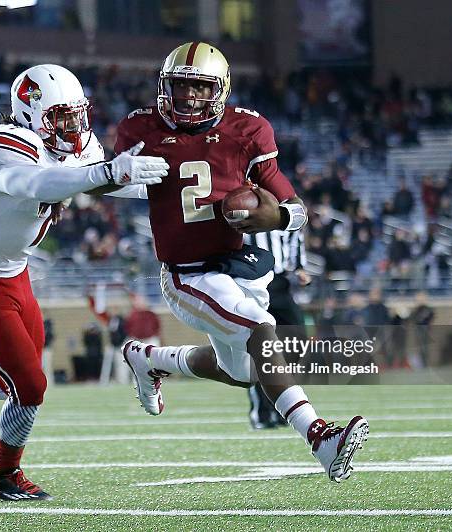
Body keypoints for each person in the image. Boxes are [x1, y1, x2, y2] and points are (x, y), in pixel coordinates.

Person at [0, 64, 168, 501]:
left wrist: (172, 184)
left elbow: (107, 179)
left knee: (18, 380)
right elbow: (36, 181)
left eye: (78, 115)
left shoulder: (68, 147)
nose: (73, 127)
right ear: (28, 112)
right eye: (61, 117)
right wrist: (107, 174)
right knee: (31, 386)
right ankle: (4, 474)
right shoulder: (4, 145)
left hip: (14, 271)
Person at [118, 42, 368, 482]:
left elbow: (296, 207)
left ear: (220, 90)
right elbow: (105, 184)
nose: (189, 97)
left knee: (246, 373)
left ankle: (151, 358)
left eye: (200, 88)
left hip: (236, 265)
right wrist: (116, 175)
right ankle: (320, 439)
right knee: (261, 331)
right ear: (165, 87)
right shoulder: (141, 128)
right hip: (188, 274)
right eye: (180, 87)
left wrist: (278, 215)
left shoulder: (248, 129)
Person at [243, 229, 309, 429]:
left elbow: (294, 235)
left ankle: (282, 407)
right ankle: (261, 412)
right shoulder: (241, 206)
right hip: (251, 282)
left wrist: (299, 267)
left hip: (280, 282)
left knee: (296, 341)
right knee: (259, 348)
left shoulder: (283, 207)